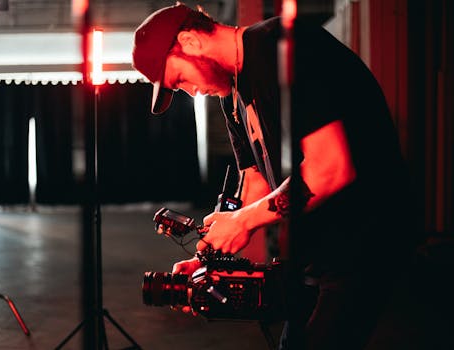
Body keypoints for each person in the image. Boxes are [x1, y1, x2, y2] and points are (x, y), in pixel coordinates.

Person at [132, 3, 417, 350]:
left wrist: (242, 222)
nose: (191, 92)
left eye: (180, 79)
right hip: (317, 249)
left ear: (190, 42)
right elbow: (256, 182)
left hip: (364, 239)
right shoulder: (233, 94)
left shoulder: (278, 46)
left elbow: (330, 168)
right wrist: (209, 261)